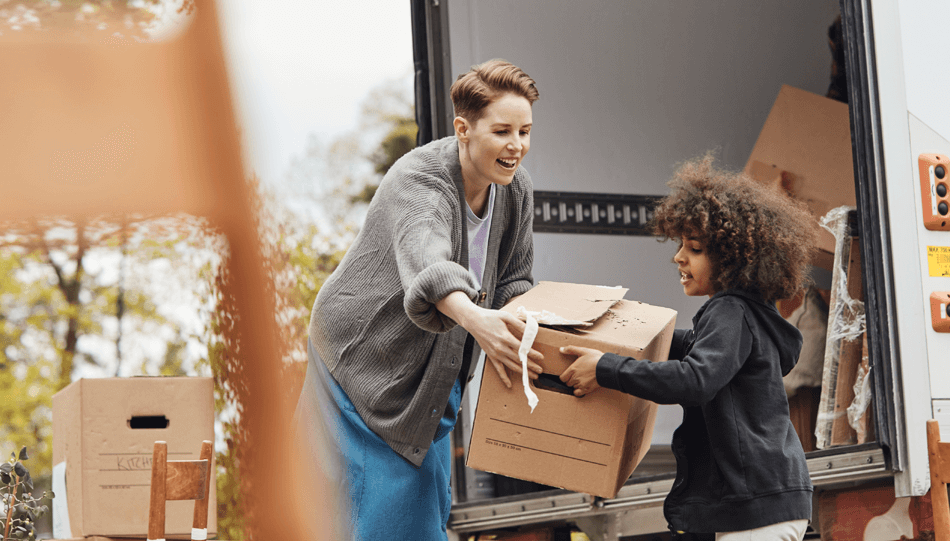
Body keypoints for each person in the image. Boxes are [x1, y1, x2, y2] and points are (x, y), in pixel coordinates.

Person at [294, 59, 545, 541]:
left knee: (420, 499)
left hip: (436, 360)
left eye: (526, 131)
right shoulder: (421, 180)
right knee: (376, 506)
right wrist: (478, 320)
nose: (517, 146)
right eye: (503, 131)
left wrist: (532, 329)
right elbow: (429, 266)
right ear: (463, 129)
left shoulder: (515, 190)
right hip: (364, 357)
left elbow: (515, 277)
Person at [560, 155, 816, 541]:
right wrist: (631, 332)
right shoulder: (749, 314)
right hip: (766, 501)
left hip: (754, 510)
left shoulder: (730, 310)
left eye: (694, 248)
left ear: (733, 257)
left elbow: (695, 379)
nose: (678, 256)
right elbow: (689, 347)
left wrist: (605, 369)